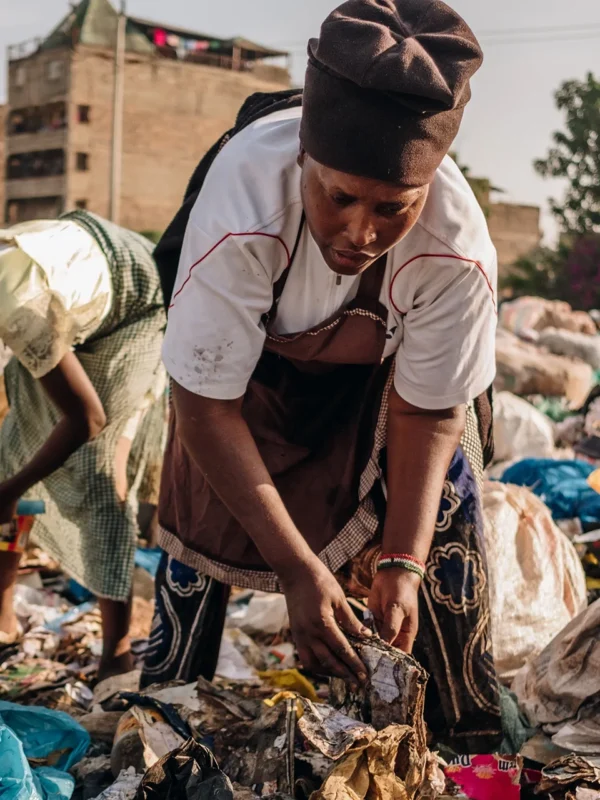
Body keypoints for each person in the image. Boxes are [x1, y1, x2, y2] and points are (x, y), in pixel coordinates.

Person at [144, 0, 500, 751]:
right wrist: (300, 572)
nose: (360, 233)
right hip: (248, 382)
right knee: (200, 512)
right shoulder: (243, 205)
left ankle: (464, 738)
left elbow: (429, 413)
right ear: (304, 155)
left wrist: (401, 562)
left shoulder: (456, 252)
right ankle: (164, 719)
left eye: (393, 208)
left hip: (386, 386)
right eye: (339, 197)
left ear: (428, 188)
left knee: (442, 514)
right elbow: (205, 407)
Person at [0, 211, 166, 678]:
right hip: (71, 291)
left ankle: (117, 650)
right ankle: (3, 616)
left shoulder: (15, 303)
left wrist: (11, 491)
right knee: (10, 452)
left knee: (98, 471)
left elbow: (87, 419)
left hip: (137, 305)